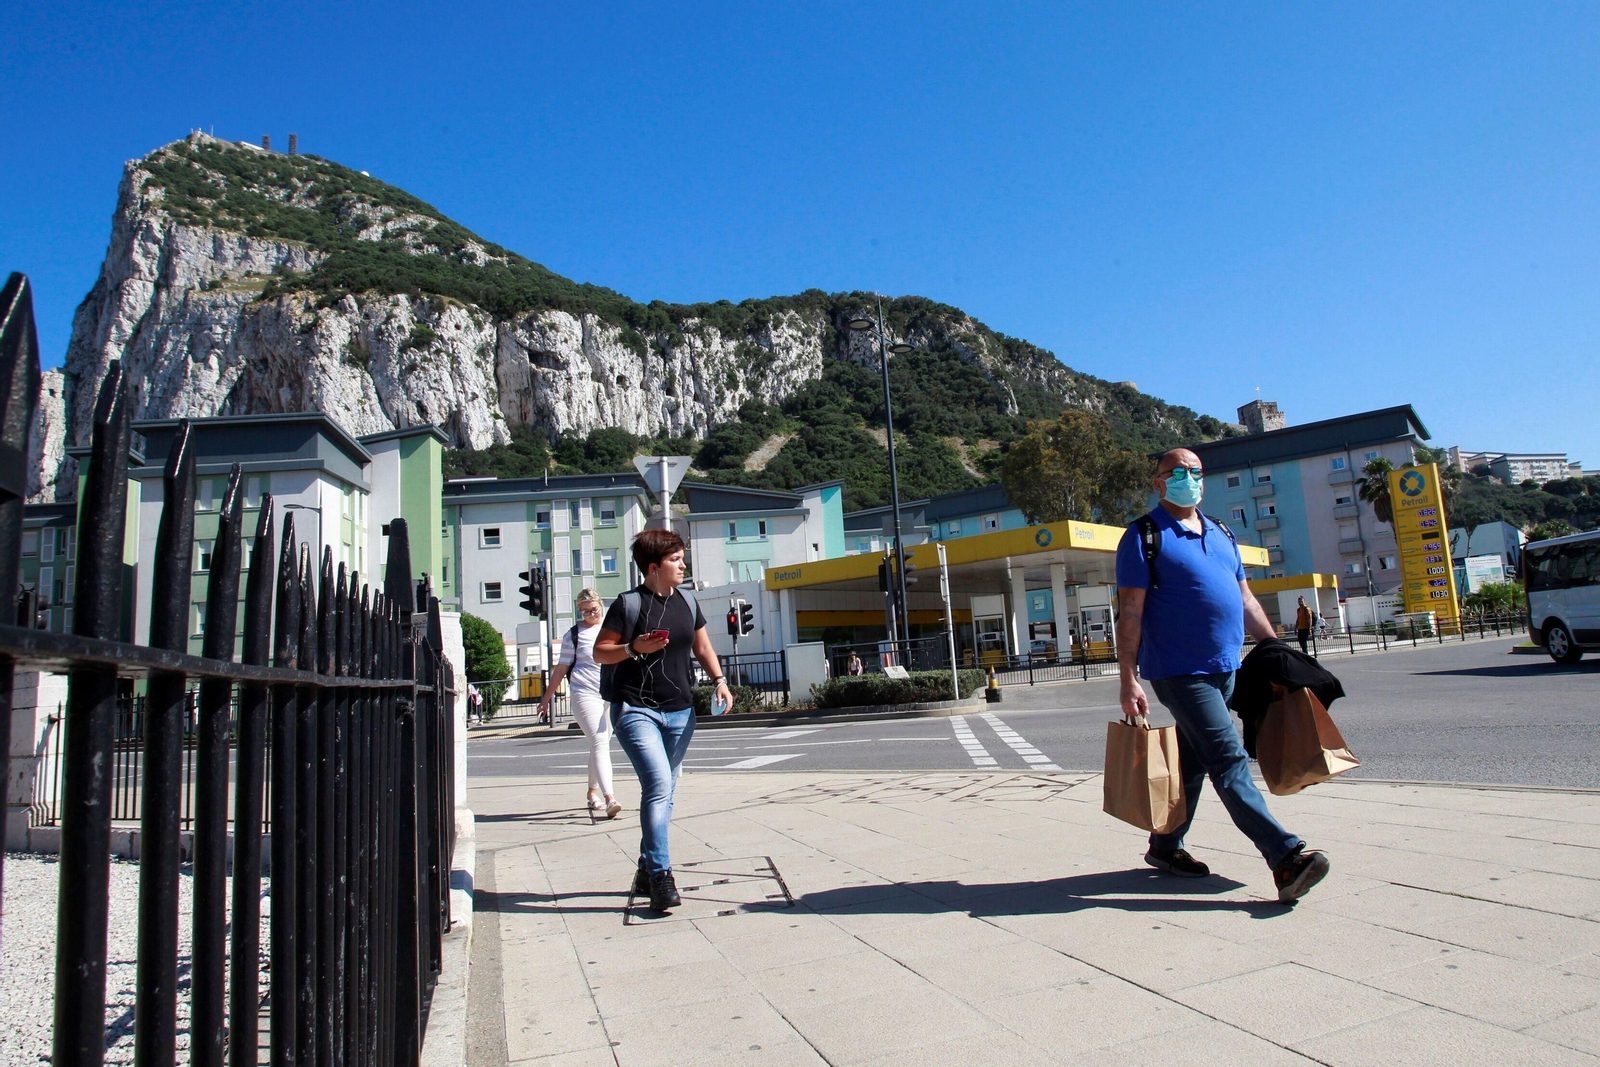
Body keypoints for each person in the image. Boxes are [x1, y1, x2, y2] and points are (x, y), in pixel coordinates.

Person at [1116, 448, 1331, 904]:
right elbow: (1131, 611)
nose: (1187, 479)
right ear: (1158, 481)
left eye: (1194, 472)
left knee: (1195, 764)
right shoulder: (1144, 535)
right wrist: (1128, 678)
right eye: (1176, 472)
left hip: (1226, 669)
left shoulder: (1222, 532)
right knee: (1229, 760)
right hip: (1179, 671)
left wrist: (1274, 650)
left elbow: (1247, 600)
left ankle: (1165, 846)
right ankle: (1285, 857)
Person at [593, 529, 733, 913]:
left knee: (666, 790)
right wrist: (632, 647)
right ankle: (660, 875)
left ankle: (643, 867)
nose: (683, 565)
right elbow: (600, 652)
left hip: (681, 711)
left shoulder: (688, 601)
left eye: (681, 558)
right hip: (636, 709)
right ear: (653, 567)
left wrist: (720, 682)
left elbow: (702, 646)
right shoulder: (628, 604)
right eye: (675, 560)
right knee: (658, 784)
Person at [540, 588, 622, 819]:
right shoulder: (573, 635)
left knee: (601, 744)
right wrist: (546, 699)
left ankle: (591, 791)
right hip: (584, 694)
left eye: (593, 610)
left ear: (601, 606)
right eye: (585, 612)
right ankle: (610, 798)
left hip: (609, 693)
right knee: (599, 740)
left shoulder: (613, 629)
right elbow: (561, 670)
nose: (590, 615)